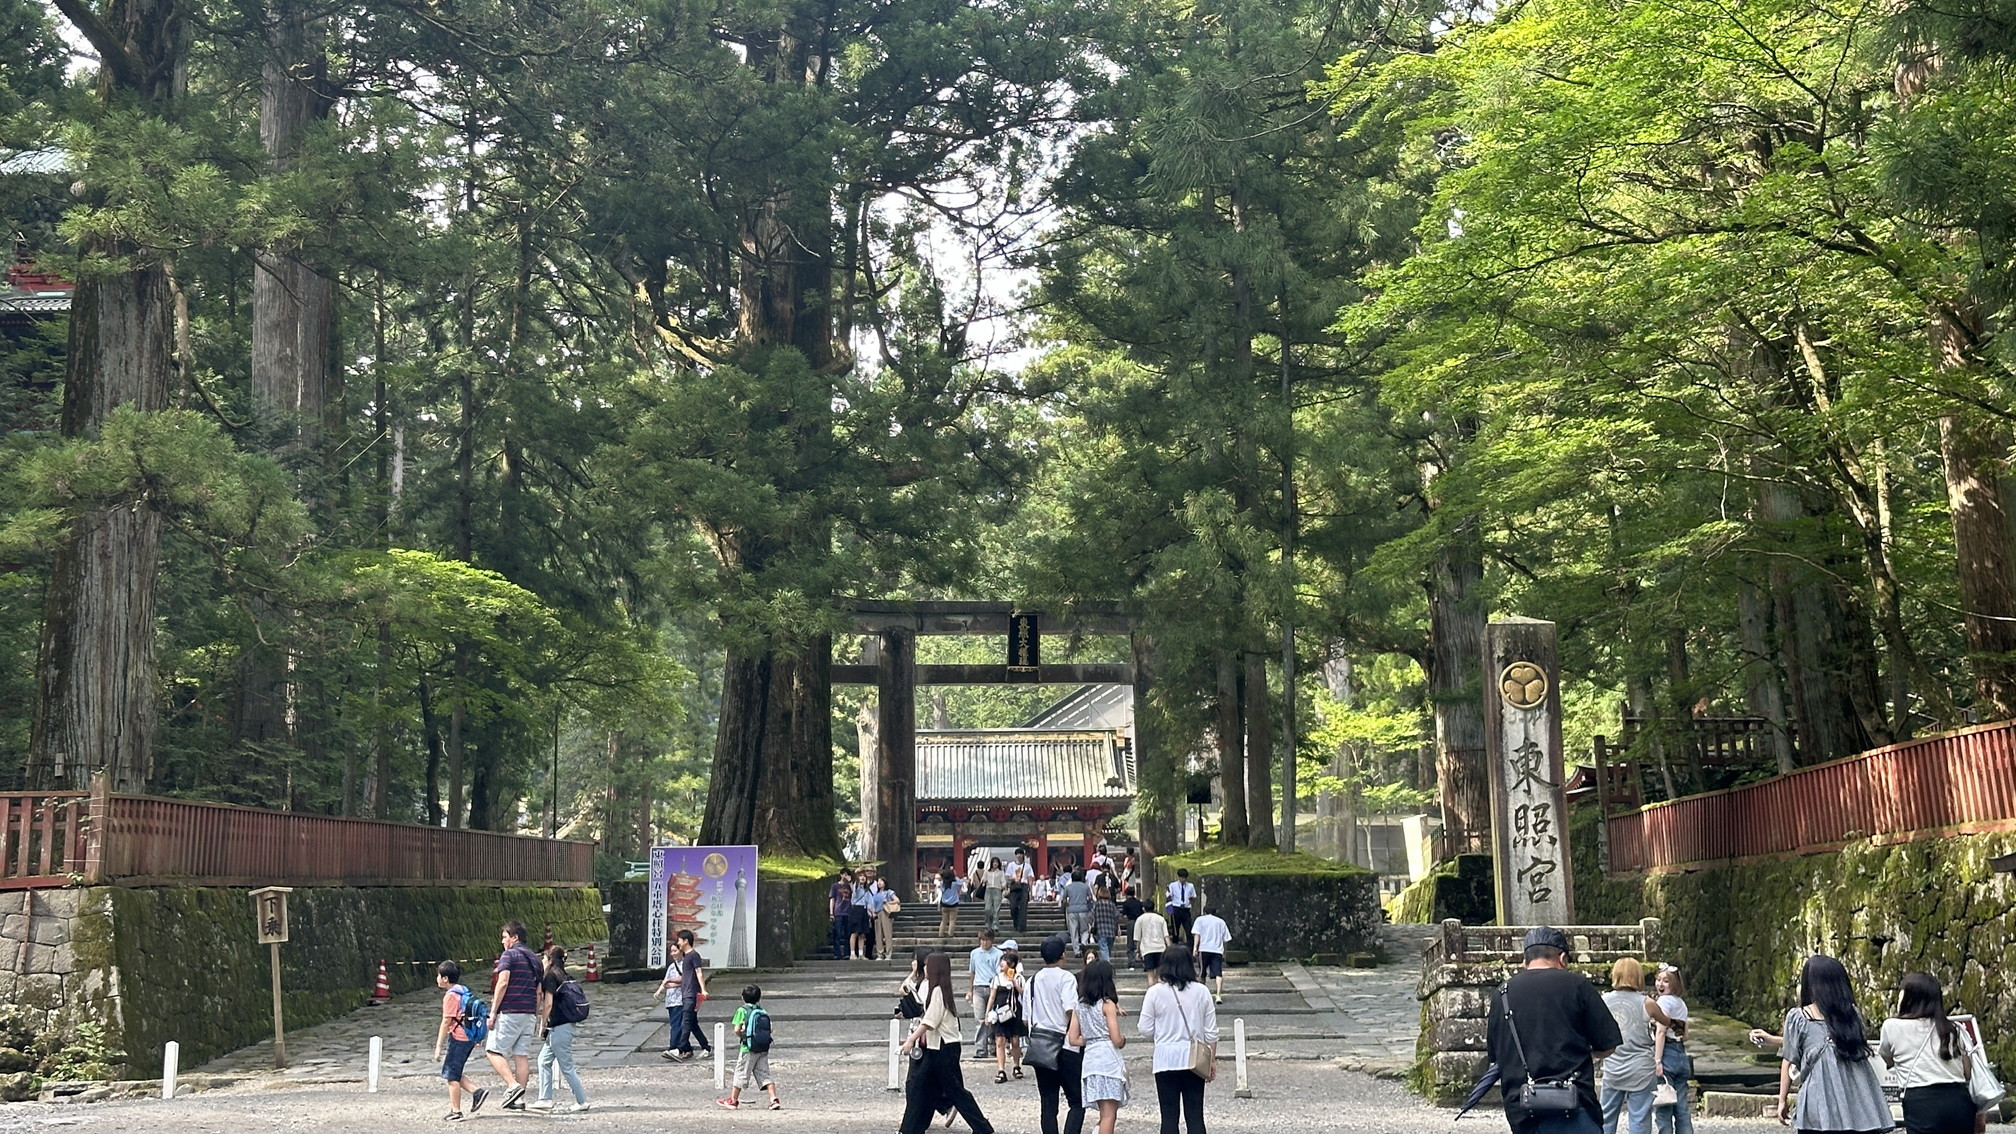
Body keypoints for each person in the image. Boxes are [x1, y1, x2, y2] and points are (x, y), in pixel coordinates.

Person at [1485, 926, 1622, 1134]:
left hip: (1523, 1108)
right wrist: (1586, 1054)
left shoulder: (1502, 993)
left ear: (1525, 960)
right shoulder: (1577, 985)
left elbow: (1496, 1055)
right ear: (1562, 958)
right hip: (1574, 1104)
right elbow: (1608, 1044)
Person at [1746, 955, 1890, 1134]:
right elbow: (1828, 1042)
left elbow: (1789, 1059)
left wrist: (1781, 1100)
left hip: (1819, 1102)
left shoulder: (1799, 1017)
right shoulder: (1851, 1016)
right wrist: (1774, 1040)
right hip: (1857, 1102)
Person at [899, 953, 996, 1134]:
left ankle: (983, 1127)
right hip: (936, 1046)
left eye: (928, 966)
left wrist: (911, 1040)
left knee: (954, 1090)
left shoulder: (938, 992)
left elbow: (930, 1021)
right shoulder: (939, 989)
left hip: (944, 1047)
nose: (925, 969)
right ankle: (911, 1128)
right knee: (923, 1087)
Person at [1880, 972, 1984, 1134]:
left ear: (1908, 997)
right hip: (1958, 1100)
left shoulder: (1891, 1026)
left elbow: (1888, 1059)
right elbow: (1967, 1072)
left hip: (1922, 1103)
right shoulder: (1953, 1028)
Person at [1139, 947, 1216, 1134]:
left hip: (1165, 1058)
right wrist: (1212, 1060)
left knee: (1169, 1116)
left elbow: (1144, 1028)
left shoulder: (1155, 993)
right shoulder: (1202, 991)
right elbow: (1211, 1032)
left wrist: (1163, 1031)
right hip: (1194, 1057)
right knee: (1195, 1115)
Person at [1599, 958, 1671, 1134]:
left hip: (1613, 1066)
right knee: (1639, 1117)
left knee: (1606, 1116)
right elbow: (1666, 1021)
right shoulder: (1647, 1003)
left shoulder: (1604, 1000)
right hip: (1641, 1069)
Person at [1028, 935, 1087, 1134]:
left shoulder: (1032, 981)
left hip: (1040, 1046)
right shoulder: (1066, 978)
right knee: (1077, 1100)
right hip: (1065, 1044)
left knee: (1048, 1102)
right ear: (1062, 955)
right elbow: (1070, 1010)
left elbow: (1026, 1018)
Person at [485, 920, 541, 1110]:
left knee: (492, 1050)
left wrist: (493, 1012)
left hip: (510, 1010)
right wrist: (535, 1013)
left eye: (504, 937)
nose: (502, 941)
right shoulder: (535, 959)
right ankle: (519, 1099)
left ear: (514, 937)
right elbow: (539, 991)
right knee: (521, 1055)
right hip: (529, 1012)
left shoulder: (508, 955)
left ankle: (512, 1085)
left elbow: (502, 983)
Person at [1068, 958, 1128, 1134]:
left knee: (1103, 1113)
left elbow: (1073, 1038)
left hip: (1090, 1060)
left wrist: (1090, 1038)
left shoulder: (1079, 1005)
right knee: (1110, 1115)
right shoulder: (1107, 1004)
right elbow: (1116, 1038)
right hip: (1107, 1060)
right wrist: (1123, 1040)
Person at [528, 946, 589, 1114]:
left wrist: (542, 1024)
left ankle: (581, 1100)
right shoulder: (566, 976)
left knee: (566, 1066)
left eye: (544, 959)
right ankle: (545, 1098)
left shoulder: (550, 976)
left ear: (550, 960)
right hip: (563, 1026)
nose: (542, 962)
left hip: (559, 1027)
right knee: (543, 1060)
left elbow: (548, 1003)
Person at [432, 960, 488, 1121]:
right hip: (469, 1037)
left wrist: (438, 1046)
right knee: (454, 1070)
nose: (437, 978)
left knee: (451, 1075)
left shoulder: (450, 996)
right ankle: (477, 1092)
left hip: (459, 1038)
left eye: (438, 975)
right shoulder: (463, 991)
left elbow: (446, 1021)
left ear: (445, 978)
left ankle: (456, 1111)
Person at [718, 984, 783, 1110]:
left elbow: (736, 1030)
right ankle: (773, 1099)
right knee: (764, 1074)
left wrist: (743, 1034)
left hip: (748, 1048)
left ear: (742, 997)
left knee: (741, 1073)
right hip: (763, 1048)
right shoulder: (762, 1011)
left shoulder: (742, 1011)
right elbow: (771, 1029)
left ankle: (733, 1100)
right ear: (759, 998)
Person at [1650, 965, 1692, 1134]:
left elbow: (1661, 1032)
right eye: (1659, 980)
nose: (1661, 984)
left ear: (1674, 984)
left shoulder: (1664, 1002)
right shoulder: (1681, 1003)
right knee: (1682, 1108)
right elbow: (1685, 1035)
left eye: (1666, 981)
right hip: (1681, 1054)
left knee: (1664, 1107)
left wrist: (1657, 1060)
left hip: (1666, 1053)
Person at [670, 928, 713, 1061]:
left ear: (686, 941)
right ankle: (706, 1048)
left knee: (686, 1022)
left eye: (679, 940)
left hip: (691, 994)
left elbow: (699, 973)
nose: (678, 943)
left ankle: (679, 1049)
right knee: (693, 1024)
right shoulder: (686, 957)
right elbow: (686, 977)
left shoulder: (694, 955)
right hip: (686, 993)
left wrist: (703, 989)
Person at [989, 950, 1028, 1083]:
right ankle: (1001, 1069)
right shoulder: (997, 978)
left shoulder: (1019, 978)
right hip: (1001, 1012)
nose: (1002, 965)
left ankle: (1017, 1065)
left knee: (1015, 1041)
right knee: (1000, 1040)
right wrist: (988, 1012)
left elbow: (1024, 994)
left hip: (1014, 1011)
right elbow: (992, 996)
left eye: (1004, 962)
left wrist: (1014, 983)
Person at [969, 928, 1004, 1057]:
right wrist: (970, 989)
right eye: (982, 940)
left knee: (993, 1018)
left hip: (992, 986)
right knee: (980, 1019)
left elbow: (998, 971)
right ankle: (980, 1049)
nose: (984, 943)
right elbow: (972, 971)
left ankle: (993, 1045)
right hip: (978, 986)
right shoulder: (974, 953)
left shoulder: (998, 954)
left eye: (986, 940)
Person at [654, 937, 687, 1059]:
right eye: (671, 951)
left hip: (680, 999)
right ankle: (686, 1048)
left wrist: (671, 983)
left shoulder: (685, 964)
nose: (673, 953)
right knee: (677, 1024)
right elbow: (665, 982)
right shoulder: (672, 966)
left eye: (675, 950)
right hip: (671, 1000)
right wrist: (659, 991)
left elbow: (685, 980)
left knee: (676, 1025)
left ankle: (674, 1048)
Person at [1190, 906, 1231, 1003]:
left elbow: (1197, 934)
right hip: (1217, 950)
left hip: (1204, 949)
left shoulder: (1200, 920)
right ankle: (1218, 995)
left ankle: (1201, 995)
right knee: (1218, 973)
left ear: (1204, 911)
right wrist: (1224, 951)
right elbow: (1226, 939)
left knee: (1202, 973)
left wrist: (1195, 947)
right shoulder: (1221, 922)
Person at [1134, 901, 1170, 984]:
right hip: (1160, 948)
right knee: (1160, 975)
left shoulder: (1140, 919)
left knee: (1150, 975)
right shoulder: (1161, 919)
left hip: (1147, 949)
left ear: (1143, 908)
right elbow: (1166, 936)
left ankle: (1151, 993)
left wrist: (1137, 951)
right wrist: (1169, 948)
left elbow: (1138, 938)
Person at [1063, 869, 1094, 956]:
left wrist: (1068, 904)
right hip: (1083, 909)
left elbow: (1064, 900)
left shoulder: (1068, 887)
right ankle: (1084, 943)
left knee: (1074, 930)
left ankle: (1077, 951)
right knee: (1084, 929)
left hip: (1072, 910)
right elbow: (1090, 898)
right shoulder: (1085, 886)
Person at [1164, 869, 1196, 945]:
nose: (1183, 879)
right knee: (1175, 931)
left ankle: (1190, 948)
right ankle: (1175, 946)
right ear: (1178, 877)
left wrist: (1188, 901)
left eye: (1185, 878)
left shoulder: (1190, 886)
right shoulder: (1172, 885)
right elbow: (1169, 896)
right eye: (1181, 878)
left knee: (1189, 930)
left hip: (1185, 909)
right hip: (1176, 909)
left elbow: (1193, 896)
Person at [1006, 850, 1036, 933]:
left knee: (1023, 907)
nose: (1019, 856)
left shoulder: (1027, 866)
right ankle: (1016, 922)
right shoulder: (1011, 865)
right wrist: (1014, 879)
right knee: (1013, 907)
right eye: (1017, 854)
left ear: (1023, 855)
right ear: (1015, 855)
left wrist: (1031, 890)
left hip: (1024, 886)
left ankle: (1022, 927)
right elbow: (1007, 877)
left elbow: (1030, 877)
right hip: (1014, 886)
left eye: (1020, 854)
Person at [1090, 886, 1121, 963]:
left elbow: (1091, 916)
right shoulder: (1112, 905)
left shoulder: (1097, 904)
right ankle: (1107, 963)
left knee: (1104, 949)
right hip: (1111, 930)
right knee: (1108, 950)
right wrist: (1118, 927)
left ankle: (1107, 965)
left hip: (1100, 930)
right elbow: (1117, 916)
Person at [830, 870, 856, 961]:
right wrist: (831, 913)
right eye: (844, 874)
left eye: (848, 874)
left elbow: (855, 893)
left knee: (847, 934)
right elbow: (832, 899)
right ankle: (837, 954)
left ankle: (846, 953)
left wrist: (850, 882)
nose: (846, 876)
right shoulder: (835, 886)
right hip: (838, 912)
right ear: (841, 875)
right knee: (837, 933)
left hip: (848, 912)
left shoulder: (850, 885)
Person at [870, 877, 897, 961]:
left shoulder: (889, 892)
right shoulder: (875, 894)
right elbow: (873, 905)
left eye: (881, 881)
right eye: (878, 881)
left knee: (887, 934)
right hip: (877, 913)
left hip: (886, 912)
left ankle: (888, 954)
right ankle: (880, 954)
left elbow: (897, 900)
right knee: (878, 935)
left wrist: (887, 902)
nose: (879, 883)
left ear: (885, 883)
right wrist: (873, 912)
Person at [851, 868, 876, 959]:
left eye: (864, 877)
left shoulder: (867, 890)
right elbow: (855, 877)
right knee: (855, 932)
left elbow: (870, 904)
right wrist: (860, 871)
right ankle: (853, 953)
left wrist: (872, 913)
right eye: (861, 876)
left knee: (862, 934)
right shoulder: (856, 886)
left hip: (864, 910)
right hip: (856, 908)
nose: (862, 878)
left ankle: (861, 954)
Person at [1118, 886, 1146, 967]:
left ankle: (1131, 962)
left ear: (1127, 894)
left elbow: (1123, 914)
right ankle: (1142, 959)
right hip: (1139, 922)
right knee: (1139, 940)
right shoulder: (1138, 902)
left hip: (1131, 922)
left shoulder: (1126, 903)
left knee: (1130, 942)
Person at [939, 868, 966, 938]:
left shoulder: (942, 883)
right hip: (953, 904)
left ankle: (941, 933)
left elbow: (941, 889)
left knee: (944, 920)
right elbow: (961, 883)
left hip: (944, 904)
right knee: (952, 920)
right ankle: (950, 934)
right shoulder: (954, 884)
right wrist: (955, 876)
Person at [983, 858, 1009, 931]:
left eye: (996, 862)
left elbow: (1003, 881)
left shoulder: (1001, 872)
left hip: (997, 890)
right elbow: (983, 880)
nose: (995, 864)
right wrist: (984, 881)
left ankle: (995, 924)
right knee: (988, 908)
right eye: (994, 862)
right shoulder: (987, 872)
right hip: (989, 889)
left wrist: (1003, 886)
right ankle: (988, 922)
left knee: (996, 908)